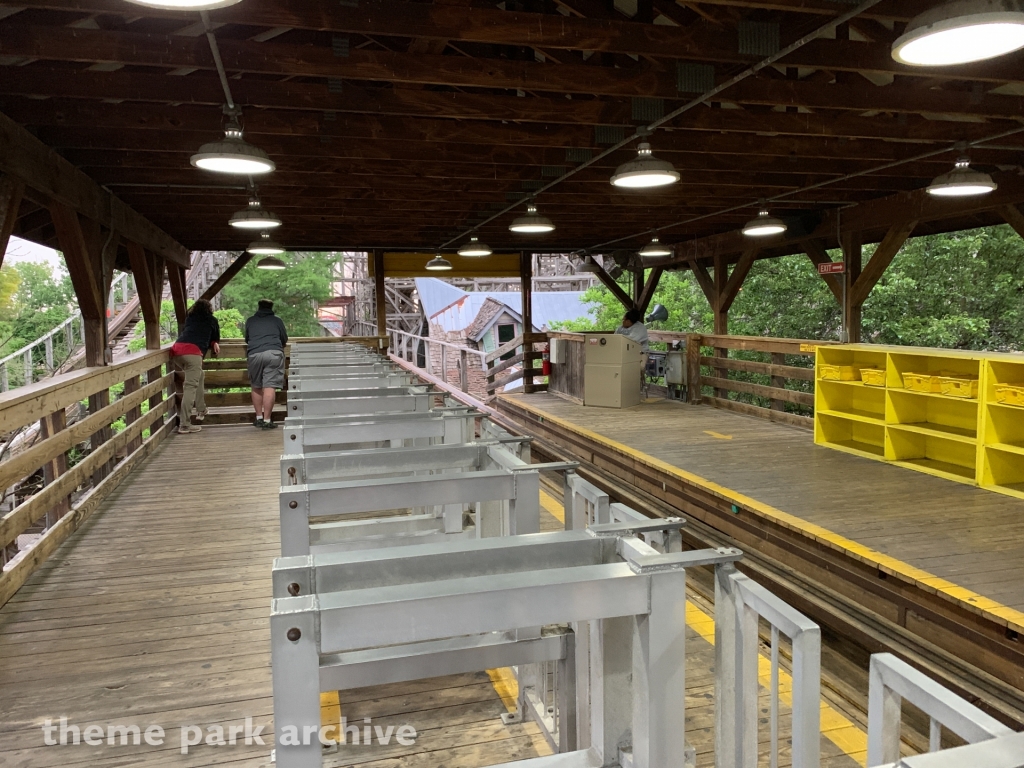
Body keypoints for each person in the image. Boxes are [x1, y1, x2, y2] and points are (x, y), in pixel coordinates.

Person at [170, 299, 220, 434]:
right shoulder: (212, 320)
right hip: (193, 353)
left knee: (199, 375)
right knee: (190, 387)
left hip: (177, 350)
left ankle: (201, 408)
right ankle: (185, 425)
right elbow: (214, 337)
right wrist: (215, 342)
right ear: (209, 309)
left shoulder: (190, 319)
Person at [244, 299, 288, 429]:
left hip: (255, 354)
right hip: (274, 353)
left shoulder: (251, 321)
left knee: (256, 385)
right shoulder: (277, 321)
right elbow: (284, 339)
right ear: (271, 308)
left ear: (259, 307)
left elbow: (247, 339)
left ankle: (258, 418)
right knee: (269, 386)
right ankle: (267, 420)